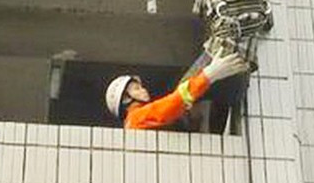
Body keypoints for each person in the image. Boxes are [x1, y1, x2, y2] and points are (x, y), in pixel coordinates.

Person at [186, 0, 271, 133]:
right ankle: (217, 141)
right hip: (242, 65)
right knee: (223, 102)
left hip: (217, 54)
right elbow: (267, 24)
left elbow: (198, 15)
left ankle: (193, 121)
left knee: (181, 92)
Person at [104, 51, 248, 130]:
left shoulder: (137, 122)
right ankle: (217, 49)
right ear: (125, 99)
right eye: (136, 88)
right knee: (184, 87)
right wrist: (208, 75)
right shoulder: (135, 119)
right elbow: (171, 105)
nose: (144, 90)